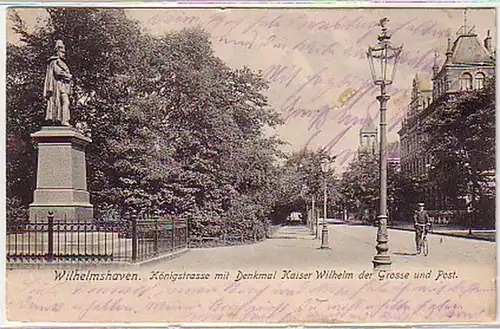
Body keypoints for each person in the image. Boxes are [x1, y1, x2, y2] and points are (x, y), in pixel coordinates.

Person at [43, 40, 73, 126]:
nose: (64, 54)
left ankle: (62, 120)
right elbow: (58, 72)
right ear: (57, 52)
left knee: (64, 102)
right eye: (62, 52)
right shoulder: (54, 61)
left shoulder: (61, 62)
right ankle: (63, 121)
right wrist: (68, 75)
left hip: (63, 85)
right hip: (58, 86)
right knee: (65, 102)